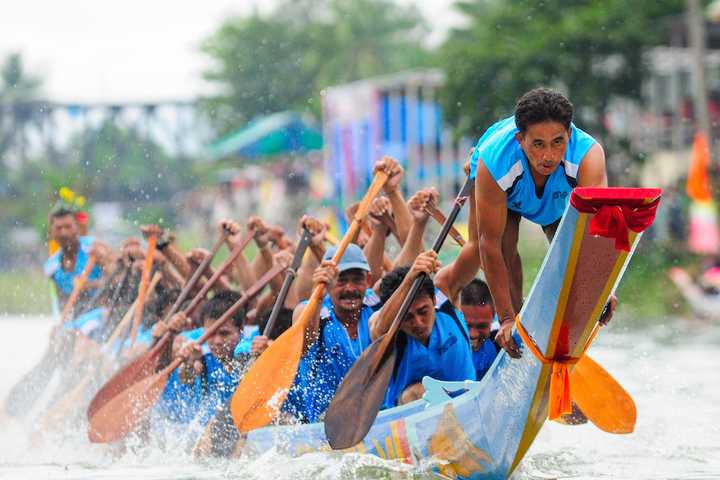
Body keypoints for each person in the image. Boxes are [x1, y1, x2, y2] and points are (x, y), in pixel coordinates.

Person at [470, 87, 614, 358]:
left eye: (557, 142)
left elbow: (597, 234)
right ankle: (514, 328)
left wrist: (603, 289)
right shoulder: (494, 160)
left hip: (558, 200)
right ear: (520, 139)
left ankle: (557, 337)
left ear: (569, 136)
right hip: (506, 194)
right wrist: (505, 319)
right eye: (538, 144)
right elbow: (488, 246)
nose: (548, 156)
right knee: (502, 249)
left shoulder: (588, 155)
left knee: (567, 256)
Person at [283, 244, 380, 423]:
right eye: (341, 281)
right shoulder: (309, 310)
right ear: (326, 284)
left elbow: (402, 277)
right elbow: (302, 346)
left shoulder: (377, 305)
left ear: (368, 280)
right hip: (327, 422)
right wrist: (317, 294)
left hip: (378, 416)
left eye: (357, 280)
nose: (350, 288)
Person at [372, 251, 475, 407]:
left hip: (469, 403)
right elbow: (378, 330)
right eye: (408, 317)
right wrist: (410, 278)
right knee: (420, 392)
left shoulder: (446, 293)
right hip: (413, 420)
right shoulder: (386, 325)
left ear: (433, 299)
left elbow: (476, 248)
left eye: (423, 311)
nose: (418, 322)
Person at [155, 290, 246, 431]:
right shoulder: (202, 360)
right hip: (201, 434)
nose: (217, 341)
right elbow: (187, 376)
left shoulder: (248, 357)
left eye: (224, 333)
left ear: (241, 331)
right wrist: (188, 363)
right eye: (211, 334)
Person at [44, 207, 110, 311]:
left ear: (77, 228)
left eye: (68, 227)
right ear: (51, 232)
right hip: (74, 318)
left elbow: (116, 281)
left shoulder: (95, 247)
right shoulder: (51, 266)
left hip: (102, 312)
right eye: (58, 228)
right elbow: (61, 303)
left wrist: (89, 285)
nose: (64, 233)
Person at [459, 278, 499, 380]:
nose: (473, 334)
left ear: (492, 319)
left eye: (482, 326)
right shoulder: (442, 353)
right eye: (466, 325)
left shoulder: (498, 338)